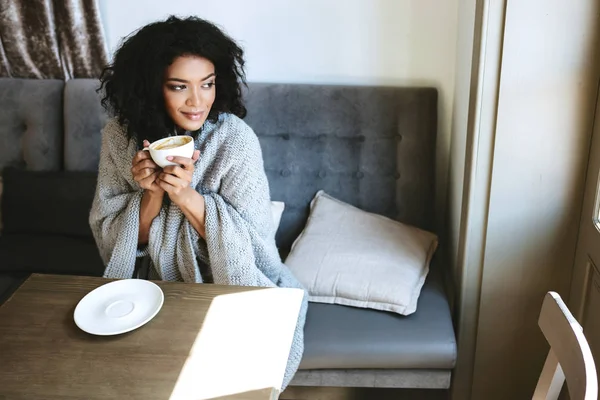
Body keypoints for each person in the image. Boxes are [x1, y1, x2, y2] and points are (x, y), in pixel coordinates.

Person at [89, 15, 307, 389]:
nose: (197, 101)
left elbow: (255, 245)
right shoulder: (118, 138)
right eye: (179, 87)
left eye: (207, 84)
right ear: (151, 88)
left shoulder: (234, 140)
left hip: (224, 280)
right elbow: (112, 243)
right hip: (150, 285)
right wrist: (152, 193)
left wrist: (185, 196)